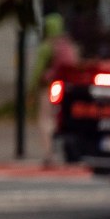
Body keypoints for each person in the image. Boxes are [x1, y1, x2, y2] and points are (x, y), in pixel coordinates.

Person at [29, 13, 79, 168]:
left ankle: (48, 154)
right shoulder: (68, 45)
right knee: (61, 119)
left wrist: (31, 90)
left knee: (45, 119)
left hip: (48, 86)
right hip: (65, 87)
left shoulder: (46, 47)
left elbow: (38, 70)